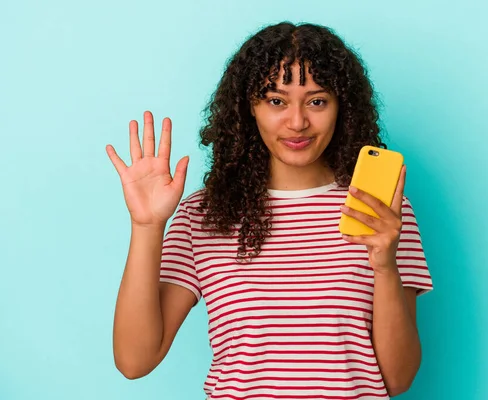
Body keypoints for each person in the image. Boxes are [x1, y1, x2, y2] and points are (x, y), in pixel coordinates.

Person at [106, 21, 433, 399]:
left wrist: (385, 266)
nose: (297, 122)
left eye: (317, 101)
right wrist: (147, 226)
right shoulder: (205, 215)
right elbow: (134, 361)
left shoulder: (384, 211)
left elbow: (396, 380)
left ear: (343, 107)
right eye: (276, 101)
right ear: (249, 108)